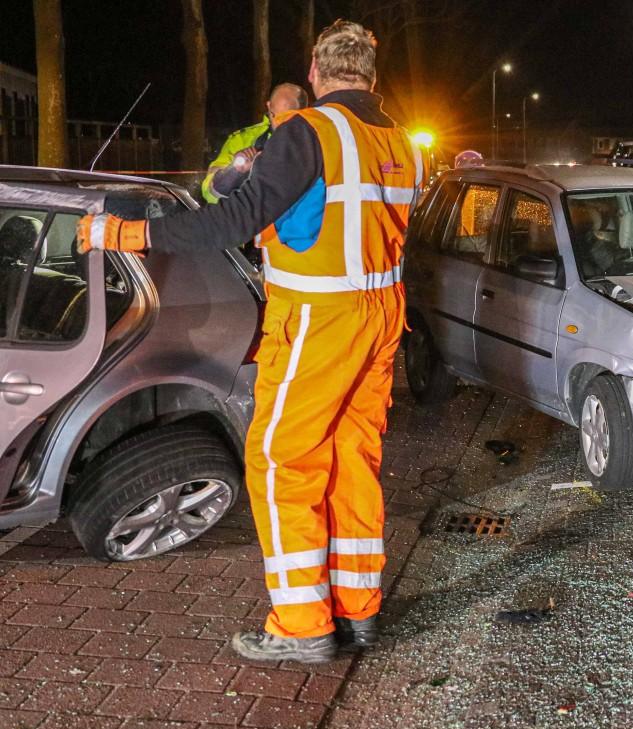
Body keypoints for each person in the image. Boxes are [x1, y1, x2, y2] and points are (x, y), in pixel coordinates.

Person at [77, 19, 426, 663]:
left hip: (320, 319)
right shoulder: (402, 143)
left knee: (279, 462)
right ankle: (357, 609)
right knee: (353, 458)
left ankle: (302, 626)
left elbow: (234, 219)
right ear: (371, 79)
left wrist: (129, 236)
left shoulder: (312, 130)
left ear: (317, 76)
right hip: (381, 319)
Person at [201, 83, 308, 203]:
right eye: (274, 115)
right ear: (268, 106)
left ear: (304, 113)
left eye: (286, 118)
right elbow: (210, 193)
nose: (279, 124)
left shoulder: (312, 143)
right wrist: (235, 172)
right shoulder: (242, 140)